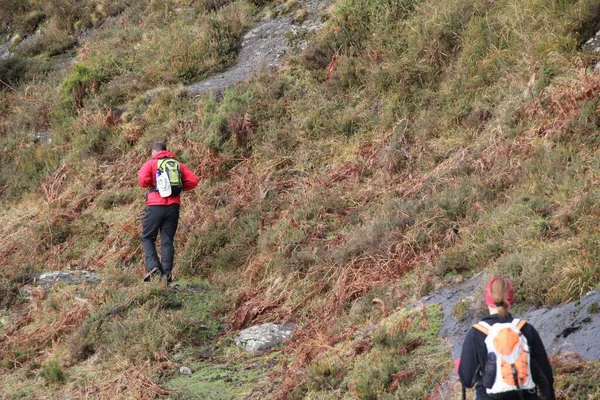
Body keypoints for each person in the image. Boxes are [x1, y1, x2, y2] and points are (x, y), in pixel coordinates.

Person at [457, 277, 556, 400]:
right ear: (511, 300)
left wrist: (460, 367)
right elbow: (546, 374)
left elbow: (467, 381)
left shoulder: (476, 333)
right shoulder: (525, 329)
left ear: (487, 299)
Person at [138, 141, 199, 284]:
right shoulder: (176, 165)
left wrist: (153, 185)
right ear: (166, 151)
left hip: (155, 206)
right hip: (173, 207)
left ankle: (153, 267)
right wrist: (176, 188)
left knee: (147, 237)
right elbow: (193, 180)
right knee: (167, 240)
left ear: (154, 151)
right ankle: (166, 276)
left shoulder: (151, 163)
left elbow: (142, 181)